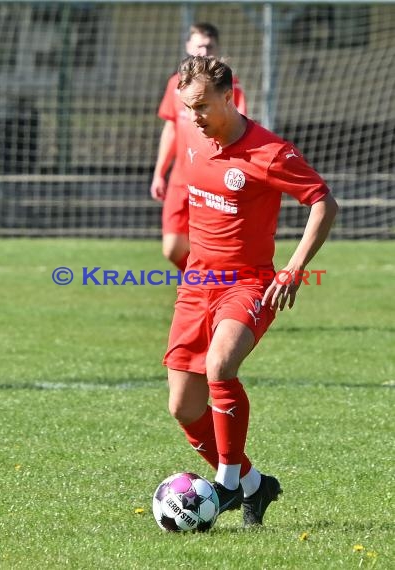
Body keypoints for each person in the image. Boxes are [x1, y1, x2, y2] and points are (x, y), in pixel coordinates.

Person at [163, 55, 338, 527]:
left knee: (221, 365)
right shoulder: (196, 143)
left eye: (200, 106)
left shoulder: (270, 152)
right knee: (183, 406)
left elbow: (323, 201)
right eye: (187, 107)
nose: (193, 117)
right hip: (198, 282)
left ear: (228, 95)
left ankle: (224, 486)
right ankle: (256, 485)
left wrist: (295, 268)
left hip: (249, 282)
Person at [150, 23, 247, 271]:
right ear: (188, 47)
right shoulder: (175, 84)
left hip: (211, 179)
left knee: (211, 247)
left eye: (209, 46)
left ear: (217, 48)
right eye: (199, 45)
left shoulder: (229, 87)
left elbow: (242, 127)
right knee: (172, 248)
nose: (203, 51)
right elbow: (171, 129)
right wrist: (160, 172)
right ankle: (204, 281)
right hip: (180, 179)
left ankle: (209, 288)